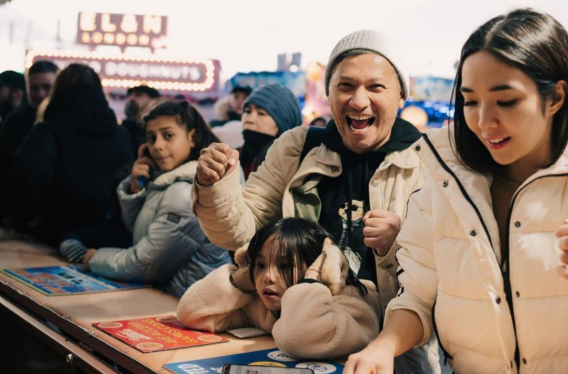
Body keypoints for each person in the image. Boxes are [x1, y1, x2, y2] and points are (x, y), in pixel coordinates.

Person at [344, 9, 568, 374]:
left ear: (556, 96)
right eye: (470, 101)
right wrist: (384, 347)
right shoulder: (444, 184)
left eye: (506, 101)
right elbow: (417, 296)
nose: (484, 121)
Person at [192, 30, 442, 373]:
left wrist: (400, 242)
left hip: (392, 352)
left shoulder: (432, 162)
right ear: (328, 93)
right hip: (293, 338)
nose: (358, 100)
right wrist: (215, 186)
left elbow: (451, 269)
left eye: (375, 87)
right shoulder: (297, 147)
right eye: (345, 86)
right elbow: (243, 232)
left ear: (401, 96)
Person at [57, 101, 231, 297]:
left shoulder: (185, 193)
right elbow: (141, 233)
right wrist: (136, 188)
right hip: (174, 298)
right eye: (151, 138)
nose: (157, 146)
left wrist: (94, 259)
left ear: (192, 137)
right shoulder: (169, 182)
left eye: (168, 136)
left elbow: (145, 265)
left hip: (189, 303)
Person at [177, 217, 379, 359]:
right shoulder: (263, 303)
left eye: (284, 266)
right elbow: (192, 313)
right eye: (261, 265)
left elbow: (299, 340)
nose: (268, 277)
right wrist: (242, 278)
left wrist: (312, 283)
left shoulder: (351, 306)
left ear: (315, 267)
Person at [6, 64, 134, 246]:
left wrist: (23, 220)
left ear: (58, 91)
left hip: (57, 236)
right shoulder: (120, 134)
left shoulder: (48, 131)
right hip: (111, 238)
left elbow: (27, 180)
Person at [0, 61, 59, 222]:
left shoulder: (67, 122)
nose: (40, 94)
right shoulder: (15, 122)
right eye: (34, 88)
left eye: (46, 87)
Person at [238, 84, 302, 179]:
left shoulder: (293, 168)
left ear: (283, 122)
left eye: (261, 113)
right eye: (247, 111)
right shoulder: (234, 158)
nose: (250, 119)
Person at [123, 85, 162, 158]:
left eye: (138, 95)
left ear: (153, 101)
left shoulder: (160, 128)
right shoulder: (123, 129)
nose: (132, 98)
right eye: (130, 95)